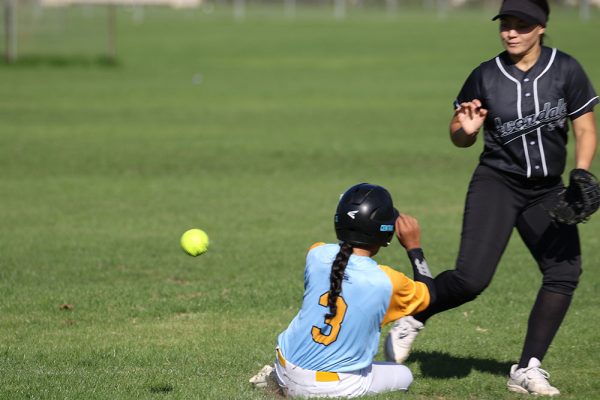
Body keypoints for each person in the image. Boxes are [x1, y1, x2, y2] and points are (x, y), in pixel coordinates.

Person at [384, 0, 598, 396]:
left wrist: (581, 172)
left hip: (547, 191)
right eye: (506, 24)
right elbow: (458, 134)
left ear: (542, 27)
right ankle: (415, 314)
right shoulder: (486, 75)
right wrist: (466, 129)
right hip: (497, 183)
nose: (511, 32)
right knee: (471, 279)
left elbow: (585, 127)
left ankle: (527, 367)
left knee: (563, 274)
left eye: (522, 24)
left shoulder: (565, 69)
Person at [250, 183, 437, 398]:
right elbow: (429, 295)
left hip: (284, 367)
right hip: (331, 388)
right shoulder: (386, 282)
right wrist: (414, 247)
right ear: (385, 232)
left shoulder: (316, 254)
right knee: (404, 374)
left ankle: (278, 382)